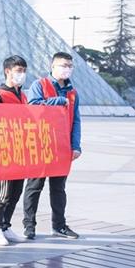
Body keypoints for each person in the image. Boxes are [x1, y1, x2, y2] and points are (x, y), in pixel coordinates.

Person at [22, 52, 82, 240]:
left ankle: (59, 225)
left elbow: (76, 120)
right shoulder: (39, 85)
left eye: (70, 66)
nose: (67, 69)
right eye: (63, 65)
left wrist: (76, 145)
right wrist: (58, 101)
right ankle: (29, 226)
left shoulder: (73, 92)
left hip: (62, 147)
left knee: (58, 189)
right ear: (53, 66)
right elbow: (34, 106)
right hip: (41, 144)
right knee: (34, 186)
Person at [0, 55, 29, 246]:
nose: (22, 74)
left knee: (16, 191)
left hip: (20, 150)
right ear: (8, 71)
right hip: (4, 151)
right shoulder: (0, 94)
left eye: (24, 71)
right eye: (18, 70)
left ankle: (6, 226)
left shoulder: (23, 96)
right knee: (4, 192)